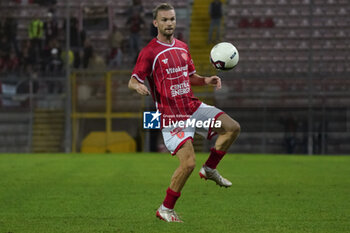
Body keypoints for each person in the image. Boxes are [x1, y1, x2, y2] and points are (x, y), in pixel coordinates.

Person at [128, 3, 240, 222]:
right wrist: (138, 86)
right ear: (156, 23)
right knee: (188, 163)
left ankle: (209, 169)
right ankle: (166, 209)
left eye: (172, 19)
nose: (169, 23)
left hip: (193, 109)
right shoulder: (149, 53)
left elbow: (190, 77)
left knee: (231, 127)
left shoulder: (182, 47)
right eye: (164, 20)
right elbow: (133, 80)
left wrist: (207, 80)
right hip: (172, 119)